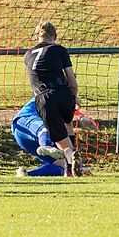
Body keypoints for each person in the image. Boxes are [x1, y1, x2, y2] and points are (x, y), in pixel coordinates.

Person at [23, 21, 84, 176]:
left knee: (62, 143)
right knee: (67, 125)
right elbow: (72, 80)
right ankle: (69, 171)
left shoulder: (28, 54)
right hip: (64, 94)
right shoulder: (60, 50)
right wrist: (75, 97)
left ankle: (71, 157)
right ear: (54, 36)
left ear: (37, 36)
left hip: (44, 98)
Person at [12, 97, 95, 177]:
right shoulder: (53, 95)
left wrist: (75, 163)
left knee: (64, 166)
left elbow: (69, 125)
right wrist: (82, 117)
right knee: (44, 129)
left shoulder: (63, 103)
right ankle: (45, 146)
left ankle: (27, 174)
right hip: (24, 120)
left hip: (27, 141)